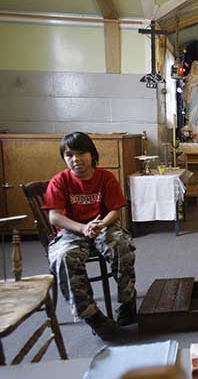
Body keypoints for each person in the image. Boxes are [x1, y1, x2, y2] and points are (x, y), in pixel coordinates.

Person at [43, 131, 137, 340]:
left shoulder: (105, 177)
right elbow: (55, 217)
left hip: (103, 226)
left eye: (81, 153)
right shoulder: (59, 181)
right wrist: (82, 228)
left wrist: (100, 224)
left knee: (121, 245)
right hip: (71, 231)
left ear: (92, 154)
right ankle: (93, 317)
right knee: (62, 257)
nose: (75, 159)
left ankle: (128, 302)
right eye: (69, 155)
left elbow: (115, 210)